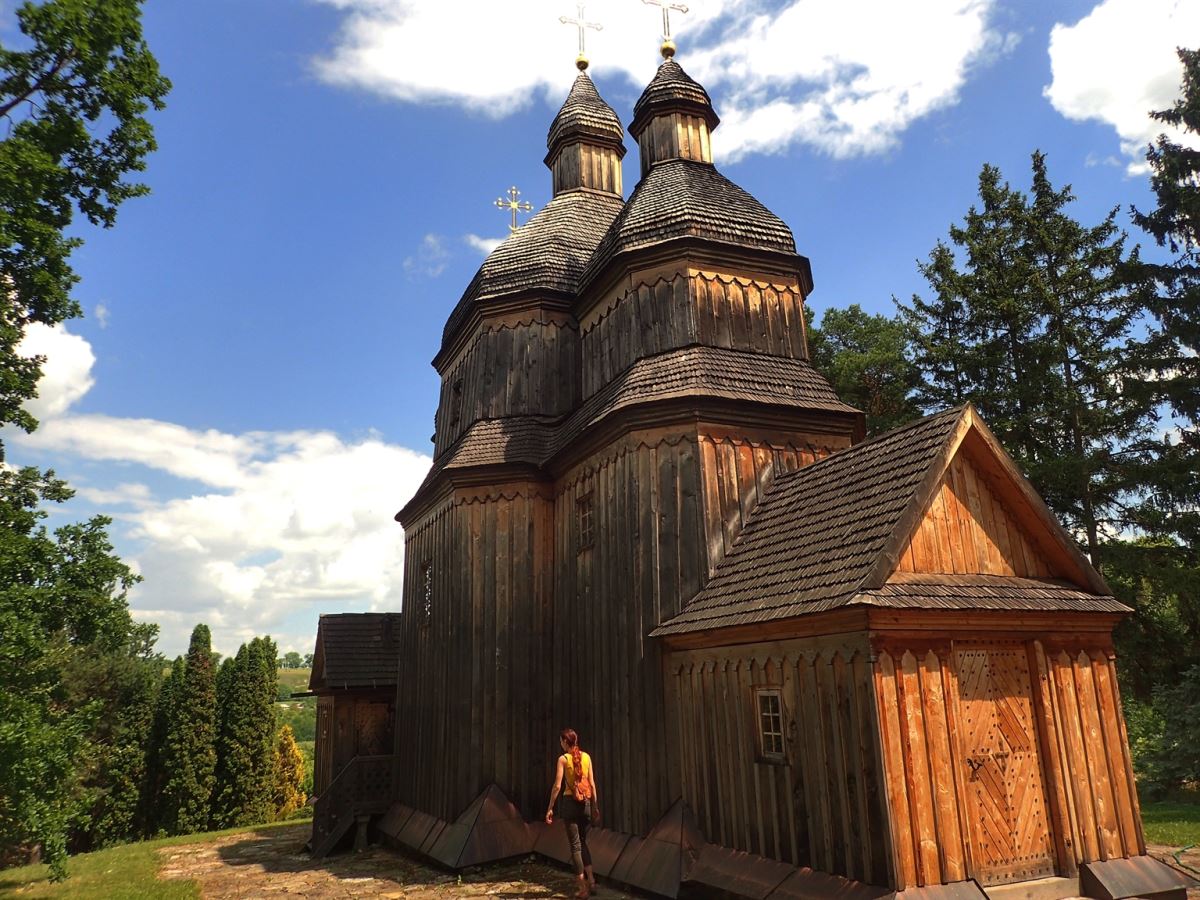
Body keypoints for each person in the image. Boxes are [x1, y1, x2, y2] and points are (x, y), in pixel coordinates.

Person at [545, 728, 599, 899]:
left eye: (561, 742)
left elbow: (557, 786)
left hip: (570, 804)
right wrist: (595, 806)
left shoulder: (563, 759)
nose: (560, 744)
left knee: (575, 846)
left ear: (565, 742)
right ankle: (592, 881)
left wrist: (550, 807)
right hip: (586, 804)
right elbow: (592, 784)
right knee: (583, 842)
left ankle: (582, 888)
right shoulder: (587, 757)